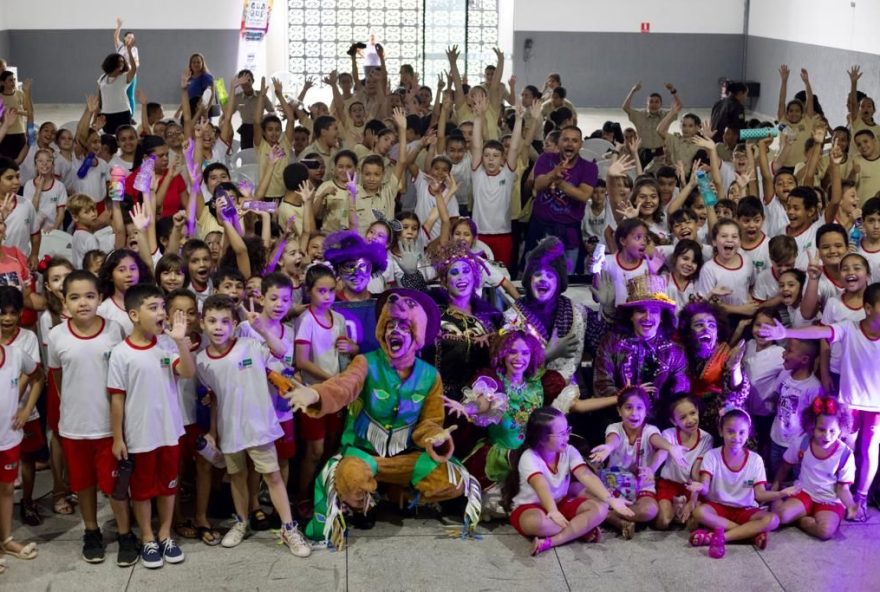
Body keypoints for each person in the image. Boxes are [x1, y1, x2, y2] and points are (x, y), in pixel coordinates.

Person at [288, 289, 472, 547]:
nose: (394, 331)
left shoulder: (431, 376)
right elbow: (344, 386)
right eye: (390, 325)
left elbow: (430, 423)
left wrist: (435, 438)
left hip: (406, 456)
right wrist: (315, 395)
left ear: (417, 335)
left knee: (454, 480)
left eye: (404, 326)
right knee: (350, 479)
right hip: (365, 454)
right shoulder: (365, 362)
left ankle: (402, 494)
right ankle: (366, 504)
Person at [195, 295, 312, 557]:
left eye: (225, 321)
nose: (218, 327)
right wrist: (214, 433)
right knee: (236, 477)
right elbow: (214, 400)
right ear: (202, 323)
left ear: (235, 324)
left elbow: (282, 352)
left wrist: (261, 329)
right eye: (212, 321)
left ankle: (289, 527)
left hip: (260, 427)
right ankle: (241, 522)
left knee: (272, 476)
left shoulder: (250, 345)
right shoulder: (201, 361)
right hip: (230, 432)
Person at [756, 283, 880, 521]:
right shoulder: (850, 328)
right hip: (850, 402)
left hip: (876, 406)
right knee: (844, 449)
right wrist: (787, 333)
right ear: (868, 308)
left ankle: (860, 498)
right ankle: (831, 496)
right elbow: (819, 332)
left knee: (870, 449)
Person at [47, 270, 137, 565]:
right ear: (65, 301)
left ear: (100, 298)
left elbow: (124, 377)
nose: (82, 303)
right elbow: (59, 379)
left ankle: (125, 534)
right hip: (74, 427)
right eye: (74, 297)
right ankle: (91, 531)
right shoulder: (57, 335)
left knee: (115, 488)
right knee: (83, 484)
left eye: (89, 296)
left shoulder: (115, 330)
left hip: (108, 428)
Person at [108, 284, 195, 569]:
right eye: (153, 307)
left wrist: (181, 342)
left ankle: (165, 534)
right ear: (134, 314)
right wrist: (118, 437)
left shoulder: (169, 344)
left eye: (162, 307)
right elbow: (117, 399)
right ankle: (147, 537)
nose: (161, 313)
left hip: (169, 431)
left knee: (169, 486)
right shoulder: (121, 353)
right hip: (140, 435)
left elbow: (188, 372)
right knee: (143, 491)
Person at [502, 407, 633, 555]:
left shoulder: (569, 451)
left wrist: (611, 500)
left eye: (567, 430)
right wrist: (552, 511)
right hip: (531, 508)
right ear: (542, 438)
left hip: (560, 503)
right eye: (562, 434)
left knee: (601, 508)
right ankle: (580, 530)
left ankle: (553, 541)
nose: (568, 437)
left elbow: (585, 475)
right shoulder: (529, 457)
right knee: (536, 523)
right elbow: (541, 485)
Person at [690, 408, 793, 559]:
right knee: (699, 512)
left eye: (741, 432)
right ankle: (749, 534)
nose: (735, 437)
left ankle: (720, 537)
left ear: (748, 433)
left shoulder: (755, 459)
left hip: (745, 510)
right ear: (721, 431)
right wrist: (700, 487)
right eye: (730, 431)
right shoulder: (712, 456)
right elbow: (705, 488)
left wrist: (781, 493)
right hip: (718, 508)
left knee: (773, 519)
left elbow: (760, 494)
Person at [589, 386, 688, 539]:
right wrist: (608, 448)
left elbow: (657, 440)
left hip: (641, 486)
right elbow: (613, 440)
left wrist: (671, 448)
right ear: (619, 410)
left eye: (639, 408)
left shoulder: (650, 430)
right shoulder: (614, 428)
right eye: (628, 407)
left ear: (645, 411)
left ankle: (607, 515)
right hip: (614, 485)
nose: (634, 413)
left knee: (650, 511)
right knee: (580, 490)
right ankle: (616, 519)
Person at [593, 274, 689, 410]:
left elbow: (679, 395)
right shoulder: (611, 343)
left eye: (654, 311)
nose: (647, 317)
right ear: (631, 316)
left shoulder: (675, 351)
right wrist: (631, 397)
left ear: (661, 317)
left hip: (660, 422)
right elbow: (601, 387)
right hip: (617, 417)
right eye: (641, 311)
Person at [772, 396, 858, 539]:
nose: (827, 436)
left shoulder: (845, 454)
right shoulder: (803, 443)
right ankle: (791, 511)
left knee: (825, 532)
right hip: (804, 493)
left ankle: (800, 519)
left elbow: (843, 488)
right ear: (812, 426)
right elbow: (785, 466)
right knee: (780, 516)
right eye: (821, 429)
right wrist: (775, 487)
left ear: (841, 429)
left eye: (832, 431)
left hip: (829, 501)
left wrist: (851, 505)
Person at [505, 237, 586, 383]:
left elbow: (572, 364)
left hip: (566, 393)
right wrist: (547, 355)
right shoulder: (512, 317)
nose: (543, 279)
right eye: (537, 274)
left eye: (550, 275)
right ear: (528, 280)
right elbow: (508, 367)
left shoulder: (575, 314)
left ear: (559, 282)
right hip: (523, 393)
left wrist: (606, 309)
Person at [0, 286, 44, 526]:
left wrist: (20, 408)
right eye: (2, 312)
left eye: (12, 312)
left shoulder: (27, 338)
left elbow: (31, 375)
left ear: (20, 314)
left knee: (27, 457)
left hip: (24, 410)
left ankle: (27, 501)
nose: (7, 318)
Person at [524, 126, 597, 268]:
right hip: (540, 228)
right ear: (559, 142)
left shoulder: (589, 167)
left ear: (580, 144)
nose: (570, 144)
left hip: (569, 232)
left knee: (566, 279)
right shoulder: (545, 159)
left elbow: (583, 195)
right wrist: (553, 173)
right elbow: (538, 185)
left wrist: (559, 183)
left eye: (574, 141)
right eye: (566, 140)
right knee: (534, 274)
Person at [0, 315, 40, 569]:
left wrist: (26, 409)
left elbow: (38, 376)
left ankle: (6, 539)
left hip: (8, 438)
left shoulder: (15, 354)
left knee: (5, 490)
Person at [678, 302, 749, 441]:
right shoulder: (682, 353)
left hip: (720, 424)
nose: (706, 329)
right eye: (699, 325)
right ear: (688, 332)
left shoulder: (726, 354)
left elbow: (739, 390)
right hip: (691, 421)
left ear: (717, 333)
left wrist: (735, 367)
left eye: (712, 325)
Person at [655, 393, 713, 530]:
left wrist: (692, 500)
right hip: (669, 485)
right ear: (674, 421)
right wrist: (650, 471)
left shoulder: (706, 438)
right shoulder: (669, 434)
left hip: (691, 487)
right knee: (663, 522)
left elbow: (697, 472)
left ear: (698, 410)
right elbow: (661, 454)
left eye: (693, 413)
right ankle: (675, 508)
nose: (690, 420)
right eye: (683, 417)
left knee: (693, 525)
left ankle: (680, 508)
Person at [767, 339, 823, 477]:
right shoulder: (784, 375)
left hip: (796, 445)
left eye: (789, 350)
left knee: (792, 480)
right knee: (775, 474)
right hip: (776, 438)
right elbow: (776, 396)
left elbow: (815, 418)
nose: (783, 354)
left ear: (804, 359)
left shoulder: (814, 387)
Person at [622, 82, 677, 165]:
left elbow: (678, 106)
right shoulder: (639, 115)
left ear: (661, 104)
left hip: (661, 152)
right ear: (647, 104)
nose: (653, 104)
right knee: (642, 175)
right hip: (644, 151)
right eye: (651, 102)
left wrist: (673, 91)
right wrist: (633, 91)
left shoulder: (666, 115)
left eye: (656, 102)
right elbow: (625, 107)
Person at [98, 47, 137, 134]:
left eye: (123, 61)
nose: (122, 63)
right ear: (112, 62)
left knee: (123, 136)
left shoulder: (125, 76)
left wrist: (130, 51)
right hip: (106, 114)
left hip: (123, 113)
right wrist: (96, 116)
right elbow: (99, 98)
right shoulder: (102, 78)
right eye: (119, 61)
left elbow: (134, 69)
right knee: (108, 138)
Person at [112, 17, 139, 115]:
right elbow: (115, 37)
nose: (130, 39)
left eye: (132, 38)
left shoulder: (134, 49)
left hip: (131, 75)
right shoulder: (120, 46)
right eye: (128, 37)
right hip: (119, 75)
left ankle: (131, 116)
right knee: (119, 94)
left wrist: (133, 67)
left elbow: (137, 62)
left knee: (130, 95)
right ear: (124, 38)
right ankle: (119, 113)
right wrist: (119, 26)